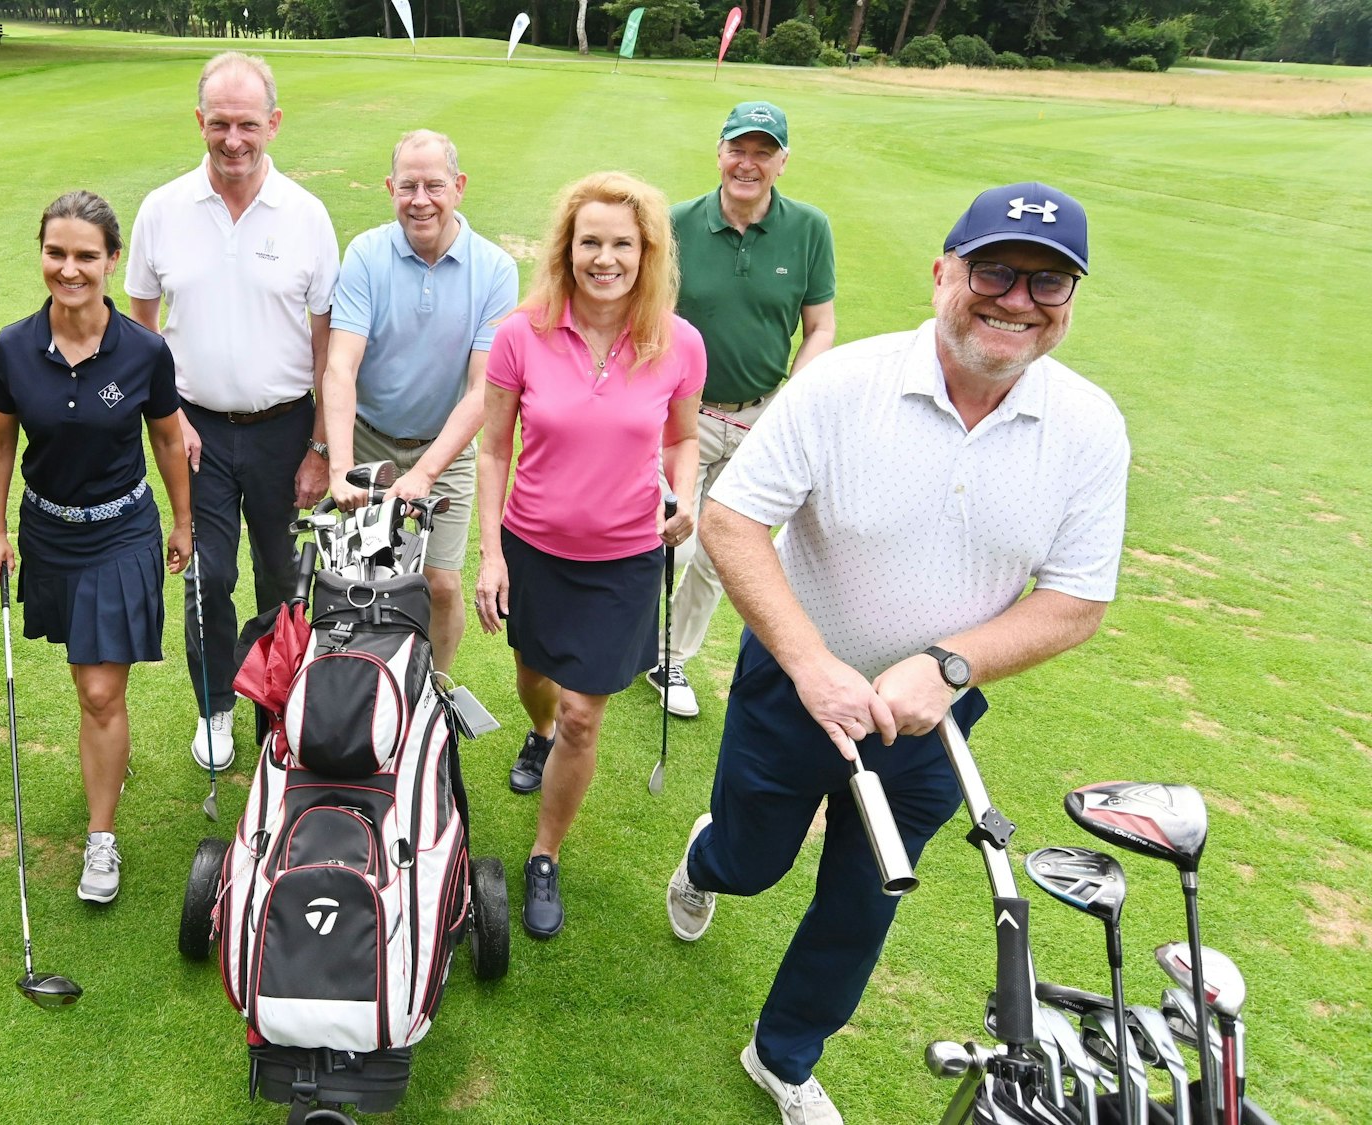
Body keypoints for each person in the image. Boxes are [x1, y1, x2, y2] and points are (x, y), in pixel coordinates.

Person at [664, 183, 1127, 1125]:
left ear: (1070, 300)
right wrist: (810, 662)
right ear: (943, 273)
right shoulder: (844, 383)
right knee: (751, 861)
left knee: (866, 895)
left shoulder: (1089, 427)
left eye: (1048, 283)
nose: (1018, 300)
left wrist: (950, 665)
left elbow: (1078, 599)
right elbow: (732, 519)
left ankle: (783, 1053)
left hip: (932, 718)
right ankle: (708, 860)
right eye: (994, 272)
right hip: (795, 681)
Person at [475, 172, 706, 939]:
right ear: (567, 249)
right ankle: (536, 733)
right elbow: (493, 450)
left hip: (626, 559)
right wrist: (491, 554)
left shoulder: (678, 342)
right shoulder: (521, 333)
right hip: (534, 548)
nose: (605, 259)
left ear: (648, 252)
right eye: (590, 243)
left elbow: (681, 439)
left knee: (583, 714)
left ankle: (545, 853)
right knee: (535, 680)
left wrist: (685, 495)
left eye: (622, 244)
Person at [125, 51, 340, 773]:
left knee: (282, 578)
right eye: (220, 123)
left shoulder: (307, 215)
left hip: (285, 429)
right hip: (195, 431)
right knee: (208, 577)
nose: (234, 139)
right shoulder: (162, 209)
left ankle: (278, 707)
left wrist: (320, 447)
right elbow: (142, 329)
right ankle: (216, 704)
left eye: (248, 123)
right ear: (200, 122)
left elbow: (326, 343)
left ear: (273, 123)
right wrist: (170, 418)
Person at [0, 191, 192, 905]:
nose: (69, 269)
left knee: (101, 690)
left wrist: (183, 521)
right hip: (48, 532)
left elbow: (168, 438)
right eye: (56, 253)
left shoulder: (144, 351)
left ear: (112, 260)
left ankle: (101, 836)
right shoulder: (13, 347)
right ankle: (110, 750)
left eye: (85, 256)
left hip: (121, 531)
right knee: (87, 681)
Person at [647, 100, 837, 719]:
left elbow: (820, 326)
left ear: (783, 161)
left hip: (763, 417)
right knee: (668, 538)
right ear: (720, 153)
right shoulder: (677, 223)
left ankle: (671, 658)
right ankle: (634, 635)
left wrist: (790, 404)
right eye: (738, 149)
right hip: (684, 415)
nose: (747, 164)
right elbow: (651, 316)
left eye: (762, 152)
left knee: (719, 553)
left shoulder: (809, 228)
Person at [321, 129, 519, 672]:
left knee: (441, 582)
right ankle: (361, 682)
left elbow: (484, 390)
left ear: (459, 186)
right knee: (356, 573)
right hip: (368, 436)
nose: (420, 200)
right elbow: (341, 367)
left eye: (434, 185)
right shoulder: (366, 253)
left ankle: (431, 689)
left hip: (444, 445)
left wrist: (427, 472)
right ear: (391, 189)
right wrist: (340, 468)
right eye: (408, 186)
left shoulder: (496, 268)